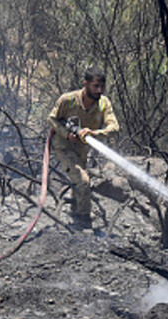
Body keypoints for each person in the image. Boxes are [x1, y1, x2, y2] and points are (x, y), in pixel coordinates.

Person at [48, 66, 119, 226]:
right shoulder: (68, 100)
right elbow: (52, 119)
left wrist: (94, 133)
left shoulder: (103, 103)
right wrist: (67, 134)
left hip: (82, 149)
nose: (99, 90)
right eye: (95, 86)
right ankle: (83, 221)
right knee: (83, 180)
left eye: (102, 86)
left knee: (78, 182)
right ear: (85, 84)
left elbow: (114, 128)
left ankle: (74, 210)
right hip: (64, 146)